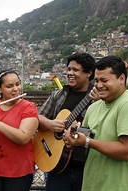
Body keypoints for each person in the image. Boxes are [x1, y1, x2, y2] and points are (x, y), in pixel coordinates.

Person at [63, 55, 128, 191]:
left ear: (121, 79)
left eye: (104, 80)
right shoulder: (94, 107)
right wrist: (73, 138)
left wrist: (86, 141)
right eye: (96, 80)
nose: (99, 85)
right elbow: (83, 149)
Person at [38, 53, 98, 191]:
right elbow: (38, 118)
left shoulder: (96, 97)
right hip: (58, 168)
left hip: (86, 168)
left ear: (88, 73)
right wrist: (50, 124)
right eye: (69, 69)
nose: (70, 73)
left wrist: (99, 103)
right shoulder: (59, 95)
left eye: (75, 70)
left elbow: (100, 131)